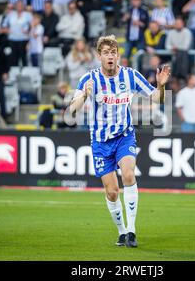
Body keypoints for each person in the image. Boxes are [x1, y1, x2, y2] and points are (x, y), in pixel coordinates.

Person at [69, 35, 170, 248]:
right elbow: (71, 110)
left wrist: (160, 86)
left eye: (113, 52)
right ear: (99, 56)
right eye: (106, 53)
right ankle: (122, 232)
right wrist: (83, 97)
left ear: (118, 55)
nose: (110, 56)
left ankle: (132, 231)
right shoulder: (89, 79)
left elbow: (157, 98)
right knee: (112, 191)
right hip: (100, 142)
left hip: (124, 135)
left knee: (129, 174)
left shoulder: (130, 75)